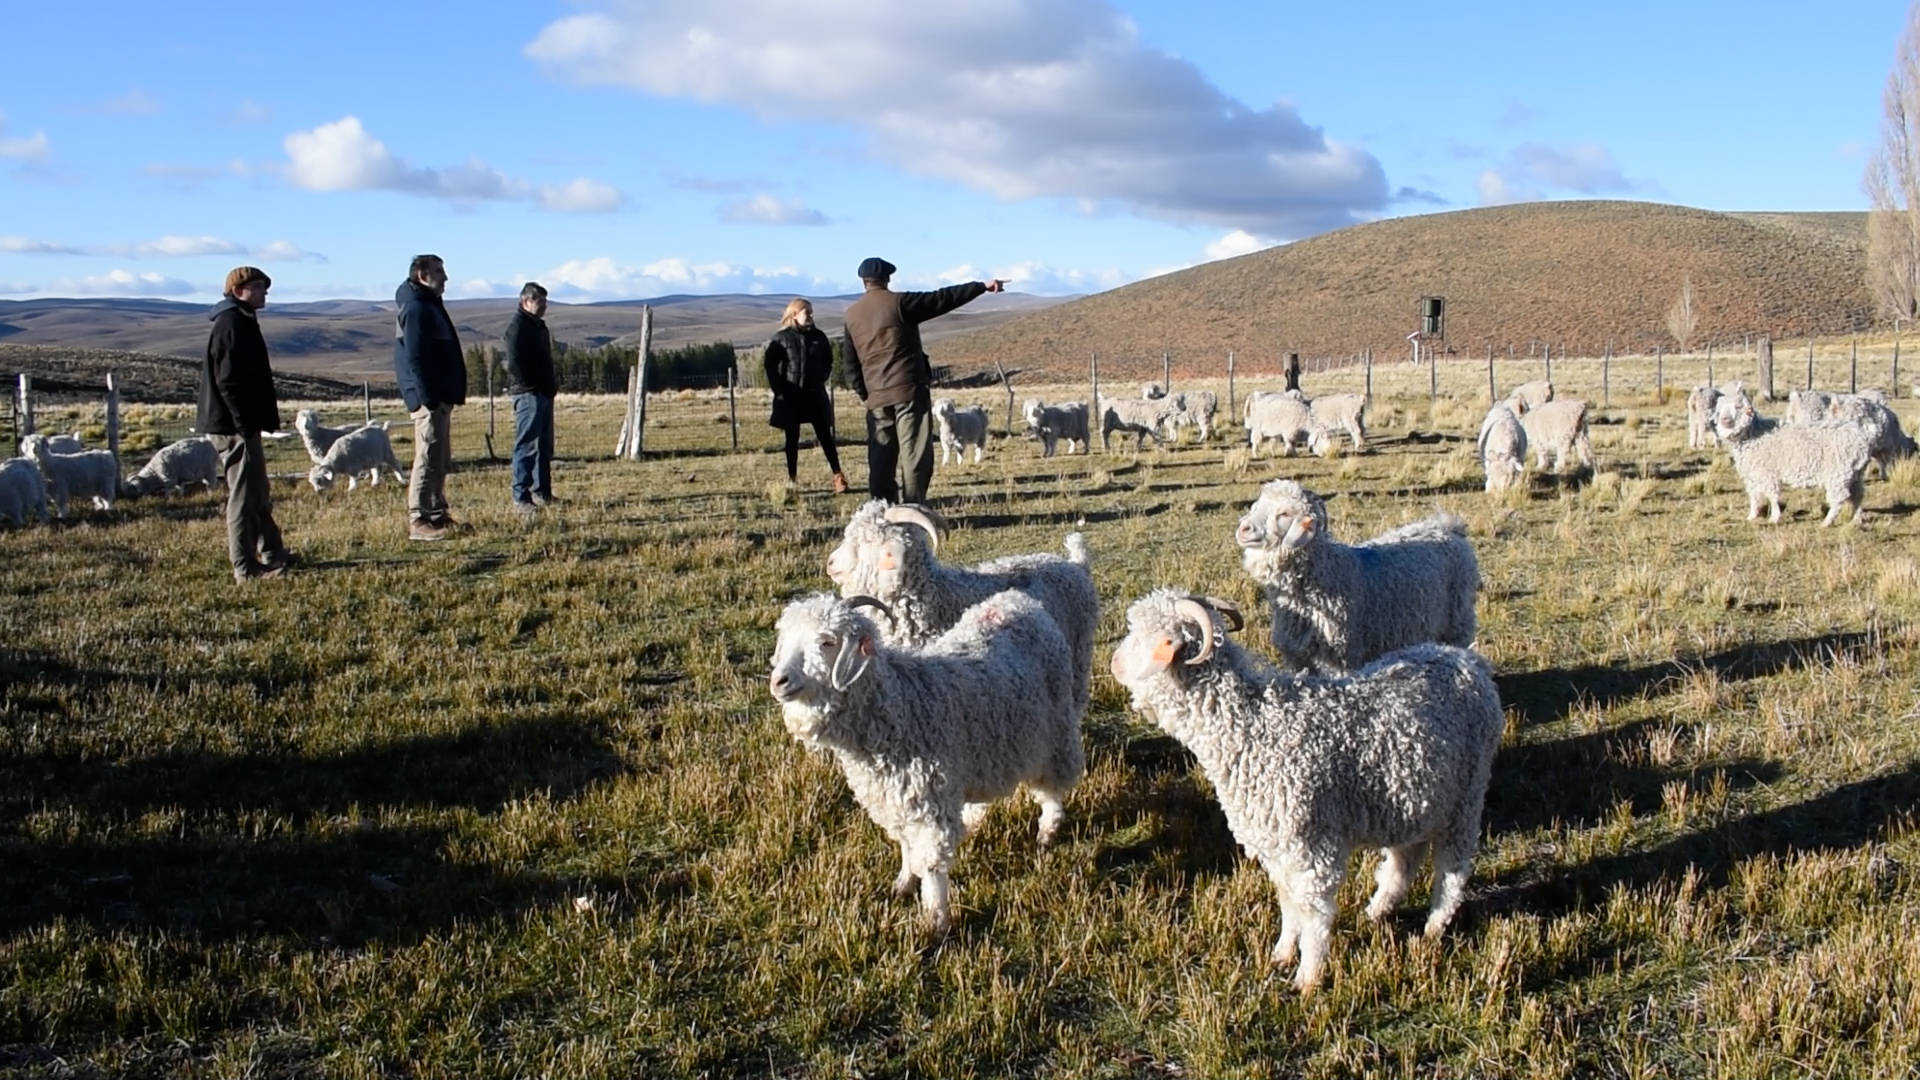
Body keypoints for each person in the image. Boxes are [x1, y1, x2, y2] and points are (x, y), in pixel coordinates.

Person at [840, 257, 1004, 503]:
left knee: (881, 459)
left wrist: (867, 394)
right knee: (915, 455)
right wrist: (981, 287)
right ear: (887, 279)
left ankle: (882, 509)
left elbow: (850, 366)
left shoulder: (851, 315)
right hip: (908, 391)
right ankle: (913, 507)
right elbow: (942, 299)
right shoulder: (900, 303)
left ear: (864, 282)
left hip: (876, 397)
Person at [198, 265, 294, 582]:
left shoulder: (241, 319)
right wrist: (243, 423)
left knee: (257, 491)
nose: (265, 292)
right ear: (239, 291)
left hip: (240, 423)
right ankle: (245, 567)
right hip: (233, 426)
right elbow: (228, 380)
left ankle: (272, 553)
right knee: (243, 496)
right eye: (258, 287)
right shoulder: (231, 323)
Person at [393, 253, 467, 541]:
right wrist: (427, 397)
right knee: (427, 456)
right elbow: (415, 356)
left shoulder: (428, 304)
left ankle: (437, 513)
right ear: (422, 275)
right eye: (438, 272)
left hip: (438, 394)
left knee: (439, 456)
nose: (445, 278)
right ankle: (419, 518)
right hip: (430, 396)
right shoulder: (416, 307)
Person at [763, 297, 847, 494]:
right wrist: (780, 390)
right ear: (794, 314)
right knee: (791, 439)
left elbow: (828, 361)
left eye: (811, 311)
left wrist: (820, 378)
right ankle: (792, 479)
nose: (810, 315)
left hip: (815, 395)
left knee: (826, 437)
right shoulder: (781, 338)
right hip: (791, 397)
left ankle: (838, 476)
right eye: (806, 311)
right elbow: (770, 365)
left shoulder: (819, 337)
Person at [503, 281, 558, 514]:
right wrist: (531, 384)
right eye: (539, 300)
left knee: (543, 445)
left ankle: (542, 492)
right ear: (526, 301)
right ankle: (521, 496)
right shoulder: (518, 327)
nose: (544, 305)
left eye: (545, 301)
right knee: (526, 445)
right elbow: (515, 362)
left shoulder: (539, 327)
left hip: (543, 391)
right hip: (528, 392)